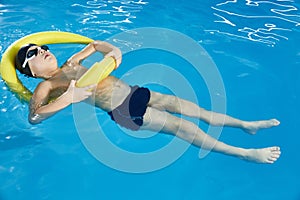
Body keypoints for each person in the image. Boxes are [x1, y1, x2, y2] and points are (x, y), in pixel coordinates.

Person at [14, 41, 281, 164]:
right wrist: (69, 98)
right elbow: (34, 116)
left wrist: (113, 52)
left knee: (199, 111)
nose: (43, 50)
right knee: (184, 128)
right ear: (32, 71)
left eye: (43, 47)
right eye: (34, 53)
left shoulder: (73, 61)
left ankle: (247, 125)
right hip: (125, 110)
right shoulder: (46, 86)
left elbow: (96, 46)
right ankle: (245, 154)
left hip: (137, 92)